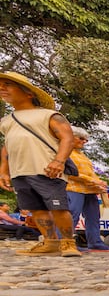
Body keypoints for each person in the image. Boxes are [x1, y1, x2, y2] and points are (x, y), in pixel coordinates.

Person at [0, 71, 81, 256]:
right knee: (35, 208)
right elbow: (7, 146)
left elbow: (67, 138)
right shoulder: (6, 121)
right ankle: (50, 242)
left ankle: (68, 243)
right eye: (1, 85)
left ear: (29, 93)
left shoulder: (49, 115)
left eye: (8, 84)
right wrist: (3, 171)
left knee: (58, 207)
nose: (2, 88)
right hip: (20, 171)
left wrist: (59, 161)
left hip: (46, 168)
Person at [67, 127, 109, 252]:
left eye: (86, 140)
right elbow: (70, 173)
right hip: (73, 187)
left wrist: (100, 182)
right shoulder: (64, 152)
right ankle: (66, 242)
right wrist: (93, 181)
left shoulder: (82, 155)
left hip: (90, 189)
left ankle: (95, 242)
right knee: (72, 214)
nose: (84, 141)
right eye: (81, 138)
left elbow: (90, 173)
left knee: (94, 216)